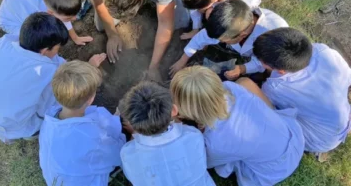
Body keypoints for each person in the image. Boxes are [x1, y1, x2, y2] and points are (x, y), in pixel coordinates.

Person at [0, 12, 106, 144]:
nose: (58, 53)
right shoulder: (48, 73)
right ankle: (31, 134)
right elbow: (48, 108)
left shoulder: (1, 43)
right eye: (57, 49)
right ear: (45, 50)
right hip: (10, 127)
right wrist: (88, 68)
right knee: (63, 103)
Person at [170, 66, 305, 186]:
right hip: (292, 136)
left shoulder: (215, 143)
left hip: (277, 167)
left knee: (225, 160)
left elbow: (202, 162)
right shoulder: (229, 87)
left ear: (189, 110)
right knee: (244, 82)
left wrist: (175, 122)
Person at [79, 0, 190, 80]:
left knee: (182, 22)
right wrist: (111, 34)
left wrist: (154, 66)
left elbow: (165, 23)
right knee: (101, 26)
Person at [254, 27, 351, 158]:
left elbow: (262, 106)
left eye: (262, 62)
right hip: (343, 118)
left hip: (319, 140)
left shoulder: (276, 87)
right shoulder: (324, 51)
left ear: (281, 71)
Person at [39, 60, 124, 186]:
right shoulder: (93, 138)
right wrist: (117, 120)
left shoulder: (50, 119)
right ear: (91, 99)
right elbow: (119, 155)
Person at [119, 81, 215, 186]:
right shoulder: (194, 135)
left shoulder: (127, 153)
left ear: (131, 122)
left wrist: (133, 132)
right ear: (174, 110)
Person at [170, 0, 288, 79]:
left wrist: (242, 69)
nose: (219, 42)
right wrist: (182, 60)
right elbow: (202, 37)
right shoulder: (227, 18)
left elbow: (262, 63)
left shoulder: (274, 38)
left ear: (242, 35)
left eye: (223, 41)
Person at [0, 0, 93, 45]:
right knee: (33, 41)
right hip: (10, 20)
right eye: (69, 17)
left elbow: (63, 14)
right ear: (50, 13)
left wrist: (75, 37)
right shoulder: (39, 16)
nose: (75, 18)